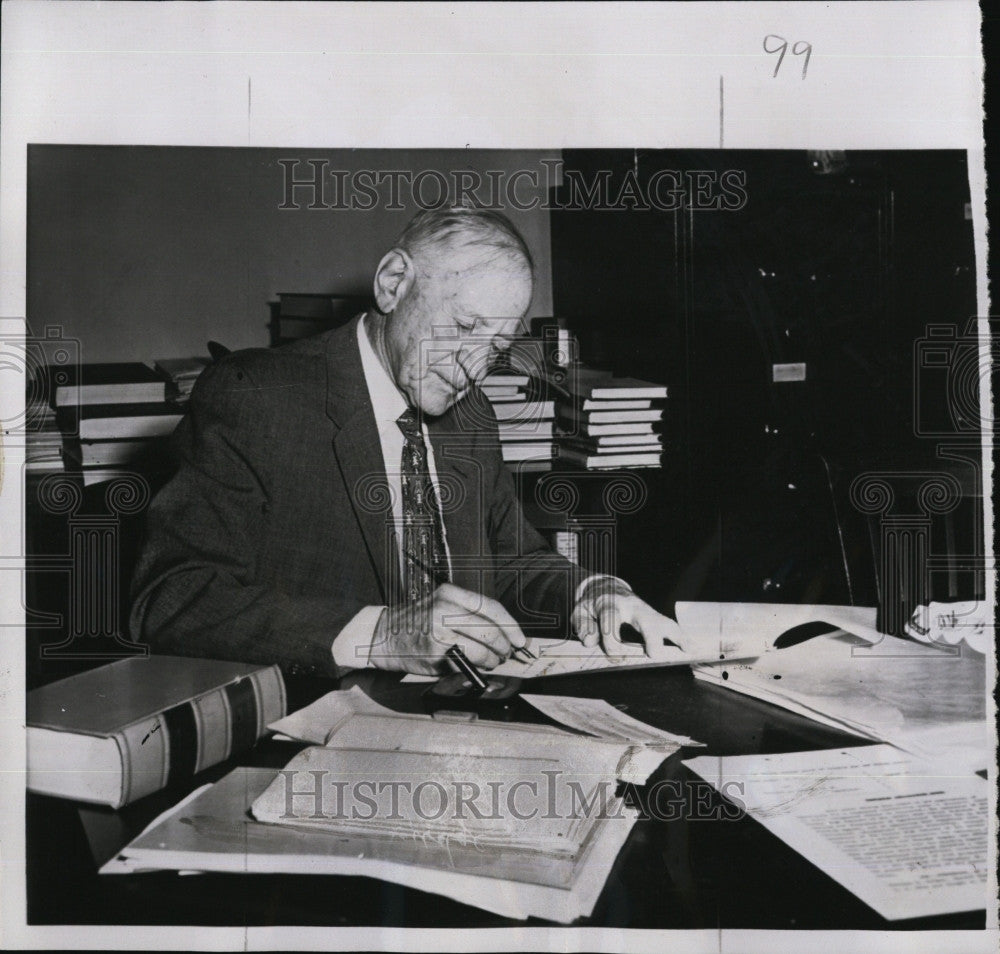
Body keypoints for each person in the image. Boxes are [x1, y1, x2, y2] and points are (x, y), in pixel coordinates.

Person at [130, 207, 683, 676]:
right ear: (394, 283)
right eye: (464, 328)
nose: (474, 368)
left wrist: (594, 593)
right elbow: (172, 599)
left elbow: (510, 558)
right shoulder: (257, 396)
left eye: (496, 348)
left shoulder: (470, 417)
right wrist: (385, 634)